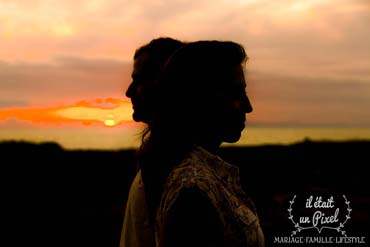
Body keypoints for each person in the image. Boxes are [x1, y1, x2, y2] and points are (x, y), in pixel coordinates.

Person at [138, 41, 265, 247]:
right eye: (235, 93)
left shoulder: (201, 177)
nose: (248, 107)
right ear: (198, 97)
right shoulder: (193, 191)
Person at [120, 37, 184, 247]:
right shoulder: (157, 160)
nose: (129, 91)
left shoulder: (179, 170)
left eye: (139, 80)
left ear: (168, 83)